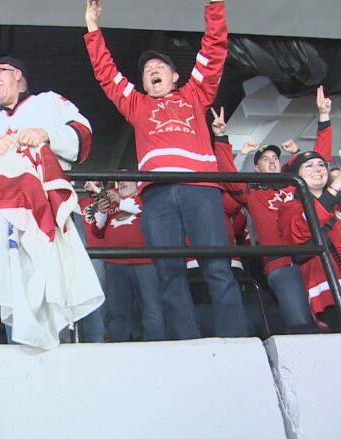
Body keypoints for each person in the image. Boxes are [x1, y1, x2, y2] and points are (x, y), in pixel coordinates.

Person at [85, 0, 248, 339]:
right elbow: (107, 74)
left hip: (200, 189)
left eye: (159, 67)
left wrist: (214, 5)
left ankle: (235, 341)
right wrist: (92, 30)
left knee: (218, 267)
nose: (152, 71)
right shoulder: (136, 104)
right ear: (143, 83)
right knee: (169, 272)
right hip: (156, 195)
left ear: (175, 76)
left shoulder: (196, 93)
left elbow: (214, 47)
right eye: (146, 71)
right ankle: (187, 342)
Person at [0, 55, 103, 348]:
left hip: (56, 208)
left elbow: (84, 135)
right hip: (11, 217)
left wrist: (47, 134)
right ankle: (21, 357)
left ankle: (90, 353)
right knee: (17, 286)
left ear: (17, 74)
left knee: (74, 278)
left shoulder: (49, 101)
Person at [210, 88, 333, 334]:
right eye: (265, 158)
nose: (272, 160)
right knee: (301, 325)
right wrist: (221, 138)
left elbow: (319, 162)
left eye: (275, 157)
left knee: (332, 317)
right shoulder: (252, 192)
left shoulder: (296, 184)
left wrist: (323, 118)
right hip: (281, 264)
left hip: (316, 257)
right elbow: (229, 178)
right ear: (256, 168)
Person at [278, 151, 341, 330]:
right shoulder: (290, 207)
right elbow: (299, 232)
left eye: (321, 164)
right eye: (309, 166)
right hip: (333, 287)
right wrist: (334, 188)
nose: (317, 169)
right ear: (297, 176)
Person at [91, 178, 166, 341]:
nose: (121, 183)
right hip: (115, 264)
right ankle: (119, 353)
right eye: (119, 181)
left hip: (145, 262)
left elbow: (148, 213)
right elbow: (97, 230)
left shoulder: (146, 197)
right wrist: (102, 211)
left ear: (137, 183)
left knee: (151, 308)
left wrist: (120, 202)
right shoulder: (112, 202)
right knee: (117, 312)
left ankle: (158, 350)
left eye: (126, 180)